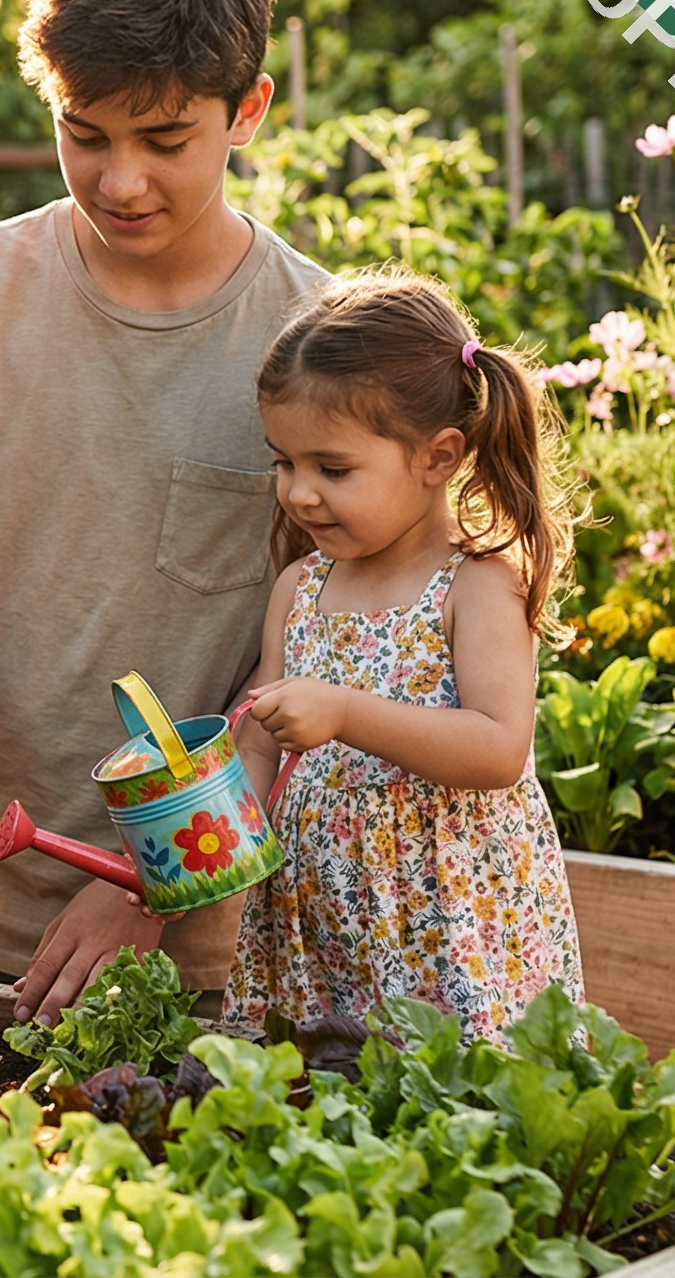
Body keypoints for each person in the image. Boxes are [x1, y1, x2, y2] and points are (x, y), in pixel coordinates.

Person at [0, 0, 330, 1023]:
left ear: (248, 109)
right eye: (84, 134)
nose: (120, 181)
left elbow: (303, 677)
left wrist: (153, 894)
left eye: (164, 141)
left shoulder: (317, 345)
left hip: (194, 945)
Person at [221, 271, 584, 1041]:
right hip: (323, 927)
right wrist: (209, 841)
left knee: (450, 1115)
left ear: (438, 456)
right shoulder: (302, 586)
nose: (299, 493)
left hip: (446, 926)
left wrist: (345, 712)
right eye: (285, 463)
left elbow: (497, 746)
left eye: (333, 468)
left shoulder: (476, 582)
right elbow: (256, 737)